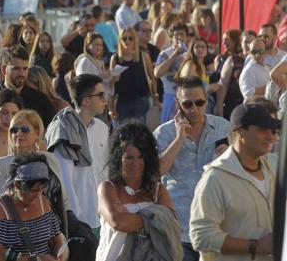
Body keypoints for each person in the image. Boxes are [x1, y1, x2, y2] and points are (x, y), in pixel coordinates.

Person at [153, 76, 231, 261]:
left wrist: (230, 156)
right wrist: (179, 139)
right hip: (180, 227)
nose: (194, 109)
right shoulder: (164, 133)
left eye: (199, 102)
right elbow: (157, 172)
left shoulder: (223, 127)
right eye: (187, 104)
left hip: (217, 225)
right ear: (178, 104)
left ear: (206, 99)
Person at [189, 103, 279, 261]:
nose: (270, 136)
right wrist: (255, 246)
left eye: (273, 131)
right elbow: (201, 236)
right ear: (240, 132)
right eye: (262, 130)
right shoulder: (215, 178)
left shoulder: (274, 167)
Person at [96, 123, 179, 261]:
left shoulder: (158, 191)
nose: (135, 164)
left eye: (140, 157)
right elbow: (119, 223)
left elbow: (170, 226)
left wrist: (132, 218)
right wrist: (155, 218)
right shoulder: (107, 188)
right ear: (118, 158)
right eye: (129, 157)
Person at [45, 74, 109, 237]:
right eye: (100, 95)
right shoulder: (64, 130)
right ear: (86, 101)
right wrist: (77, 221)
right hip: (80, 222)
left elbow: (105, 170)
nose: (105, 99)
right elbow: (64, 181)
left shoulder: (102, 128)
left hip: (105, 216)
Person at [0, 152, 69, 261]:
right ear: (17, 184)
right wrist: (35, 259)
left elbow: (57, 239)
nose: (38, 195)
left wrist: (60, 254)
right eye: (34, 190)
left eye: (42, 189)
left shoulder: (43, 203)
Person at [0, 46, 56, 131]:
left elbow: (51, 133)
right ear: (4, 69)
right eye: (16, 69)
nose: (22, 73)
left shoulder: (40, 100)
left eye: (25, 69)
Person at [109, 28, 158, 124]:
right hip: (122, 102)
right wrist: (111, 108)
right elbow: (110, 87)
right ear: (120, 40)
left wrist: (155, 97)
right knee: (123, 134)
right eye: (124, 38)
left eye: (130, 38)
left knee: (139, 132)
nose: (127, 41)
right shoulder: (115, 58)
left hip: (141, 100)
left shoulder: (143, 56)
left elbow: (152, 78)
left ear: (135, 40)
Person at [155, 22, 190, 123]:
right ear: (171, 37)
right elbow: (157, 73)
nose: (179, 37)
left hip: (187, 96)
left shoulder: (190, 54)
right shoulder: (164, 54)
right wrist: (175, 54)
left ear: (187, 37)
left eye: (182, 34)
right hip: (170, 96)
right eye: (176, 34)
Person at [214, 29, 244, 119]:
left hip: (237, 100)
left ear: (236, 40)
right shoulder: (219, 59)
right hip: (224, 101)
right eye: (223, 40)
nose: (224, 42)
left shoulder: (241, 59)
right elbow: (222, 82)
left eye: (227, 39)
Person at [239, 38, 270, 102]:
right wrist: (270, 88)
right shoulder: (248, 71)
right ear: (249, 53)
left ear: (266, 52)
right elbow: (248, 93)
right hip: (254, 109)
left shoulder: (267, 68)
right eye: (254, 52)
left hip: (266, 108)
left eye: (260, 51)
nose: (257, 55)